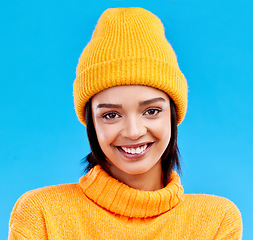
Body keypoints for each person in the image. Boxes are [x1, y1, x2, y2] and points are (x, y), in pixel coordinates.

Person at [8, 7, 242, 239]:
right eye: (111, 115)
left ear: (173, 114)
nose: (133, 131)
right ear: (91, 123)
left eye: (151, 111)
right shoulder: (41, 214)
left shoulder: (216, 221)